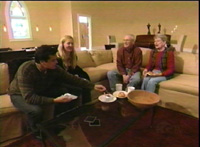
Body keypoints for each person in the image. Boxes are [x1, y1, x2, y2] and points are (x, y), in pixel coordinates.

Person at [8, 45, 106, 139]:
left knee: (66, 91)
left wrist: (93, 86)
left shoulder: (54, 68)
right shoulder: (26, 70)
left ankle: (60, 122)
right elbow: (29, 97)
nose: (56, 62)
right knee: (36, 111)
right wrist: (54, 100)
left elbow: (71, 78)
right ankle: (36, 131)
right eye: (53, 60)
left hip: (40, 90)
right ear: (42, 62)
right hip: (19, 94)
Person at [56, 35, 91, 103]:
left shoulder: (73, 56)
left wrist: (85, 78)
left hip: (71, 78)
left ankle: (87, 107)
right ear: (62, 44)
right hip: (62, 81)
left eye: (72, 43)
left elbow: (76, 69)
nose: (71, 45)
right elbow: (61, 75)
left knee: (86, 83)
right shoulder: (58, 58)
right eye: (68, 43)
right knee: (80, 88)